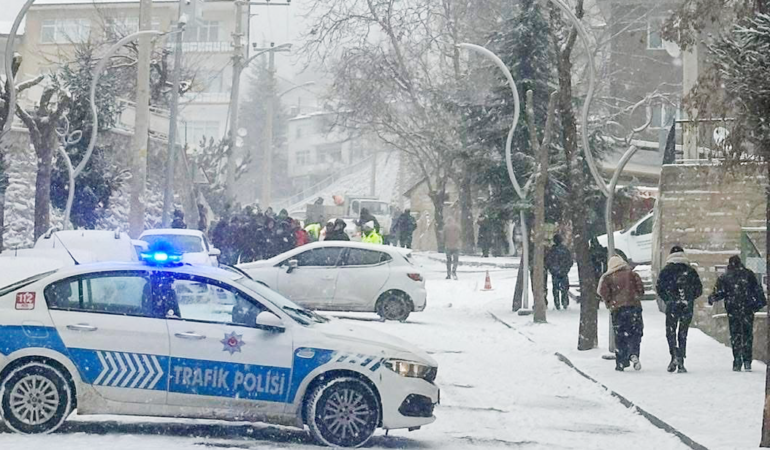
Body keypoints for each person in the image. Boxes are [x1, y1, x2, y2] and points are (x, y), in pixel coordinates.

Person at [708, 255, 767, 371]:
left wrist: (711, 298)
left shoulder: (725, 277)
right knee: (747, 335)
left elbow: (719, 293)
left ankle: (737, 360)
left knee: (735, 335)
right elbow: (758, 291)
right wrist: (756, 306)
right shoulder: (749, 275)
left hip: (733, 309)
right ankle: (747, 361)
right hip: (747, 310)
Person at [656, 245, 703, 373]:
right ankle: (681, 359)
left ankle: (673, 355)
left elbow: (659, 288)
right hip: (686, 305)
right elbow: (699, 289)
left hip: (672, 306)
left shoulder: (666, 270)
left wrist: (668, 299)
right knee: (683, 333)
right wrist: (690, 297)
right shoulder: (690, 270)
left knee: (670, 331)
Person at [598, 255, 645, 372]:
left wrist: (610, 302)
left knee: (620, 335)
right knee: (635, 332)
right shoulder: (632, 274)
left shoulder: (608, 277)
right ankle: (634, 353)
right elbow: (641, 289)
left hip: (618, 310)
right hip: (634, 308)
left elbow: (603, 292)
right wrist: (635, 297)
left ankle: (621, 362)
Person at [545, 234, 573, 310]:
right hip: (563, 272)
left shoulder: (552, 251)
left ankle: (557, 303)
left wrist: (552, 269)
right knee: (564, 288)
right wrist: (566, 269)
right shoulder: (565, 250)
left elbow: (548, 261)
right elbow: (570, 261)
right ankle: (564, 302)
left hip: (555, 273)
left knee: (556, 289)